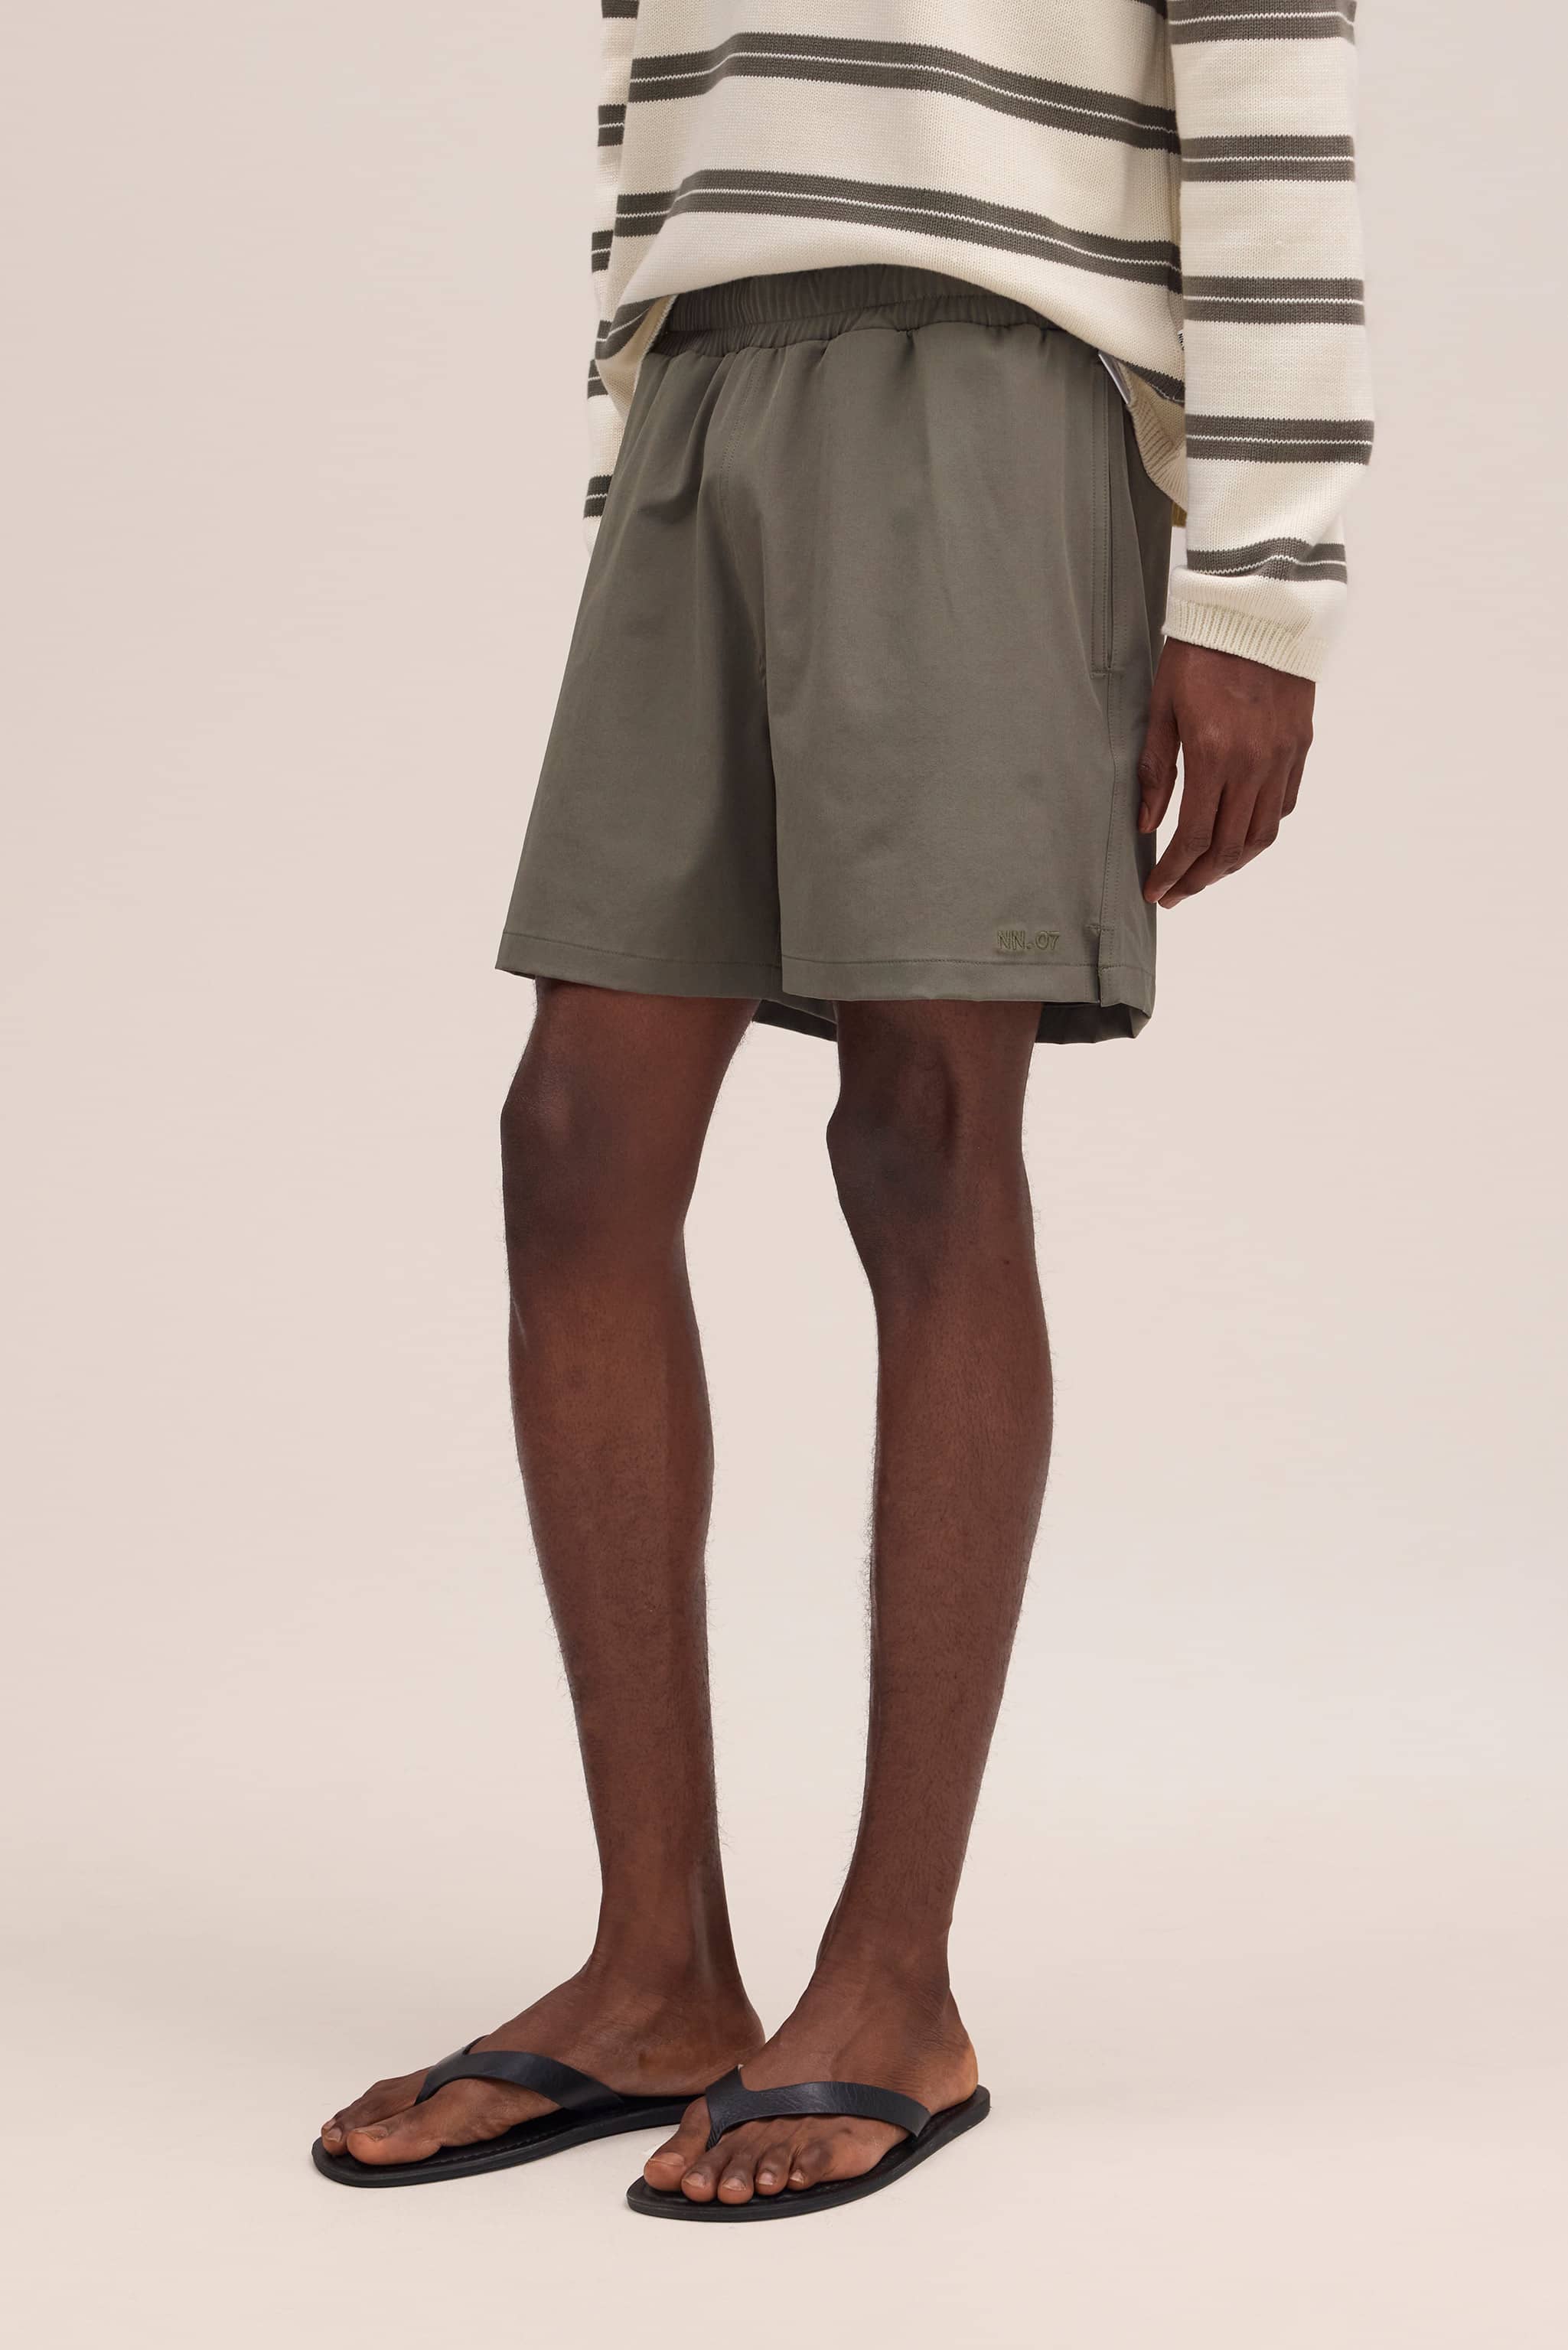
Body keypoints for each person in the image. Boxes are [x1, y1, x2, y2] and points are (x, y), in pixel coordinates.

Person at [314, 0, 1371, 2220]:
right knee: (574, 1142)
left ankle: (893, 1984)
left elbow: (1272, 89)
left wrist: (1264, 580)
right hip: (710, 374)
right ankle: (654, 1970)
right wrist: (641, 445)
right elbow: (664, 79)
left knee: (923, 1137)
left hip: (998, 368)